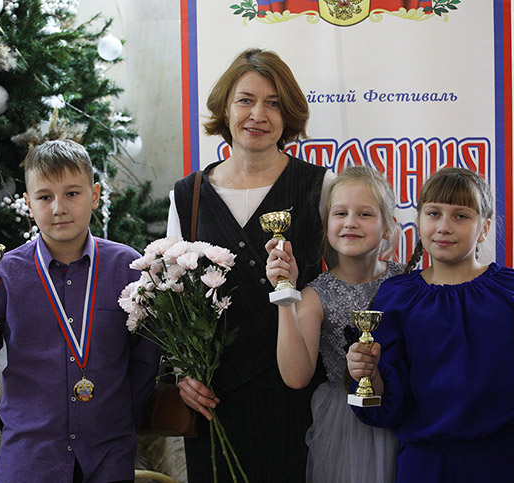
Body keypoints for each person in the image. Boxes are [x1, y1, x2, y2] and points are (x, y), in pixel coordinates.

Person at [346, 167, 514, 483]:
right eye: (434, 213)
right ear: (419, 221)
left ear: (484, 228)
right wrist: (367, 372)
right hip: (423, 466)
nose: (444, 227)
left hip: (503, 464)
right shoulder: (396, 296)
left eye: (460, 216)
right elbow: (388, 403)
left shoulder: (512, 291)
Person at [0, 140, 160, 483]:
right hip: (30, 461)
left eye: (72, 193)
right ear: (28, 205)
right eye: (45, 197)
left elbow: (145, 362)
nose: (59, 208)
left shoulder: (129, 268)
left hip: (108, 460)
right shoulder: (3, 276)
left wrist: (113, 421)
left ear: (95, 195)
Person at [167, 48, 335, 482]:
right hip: (215, 398)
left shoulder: (321, 186)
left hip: (296, 394)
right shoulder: (188, 195)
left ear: (288, 114)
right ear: (225, 107)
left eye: (273, 103)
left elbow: (341, 286)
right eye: (246, 100)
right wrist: (183, 374)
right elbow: (174, 297)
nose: (258, 114)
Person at [265, 166, 400, 482]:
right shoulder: (315, 296)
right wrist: (286, 292)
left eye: (364, 214)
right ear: (326, 225)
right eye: (340, 213)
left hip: (402, 415)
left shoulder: (406, 282)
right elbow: (296, 376)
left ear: (387, 227)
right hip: (345, 427)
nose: (351, 222)